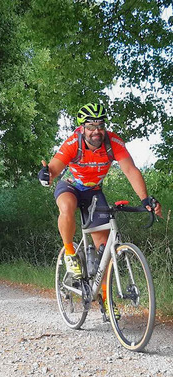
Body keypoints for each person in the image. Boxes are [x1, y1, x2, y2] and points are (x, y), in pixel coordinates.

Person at [38, 102, 162, 319]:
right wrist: (47, 175)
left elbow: (130, 169)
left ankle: (105, 301)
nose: (96, 131)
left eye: (100, 125)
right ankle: (70, 253)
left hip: (94, 191)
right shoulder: (73, 142)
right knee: (66, 207)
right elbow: (55, 167)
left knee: (104, 250)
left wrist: (144, 199)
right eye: (90, 126)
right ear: (82, 128)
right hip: (70, 186)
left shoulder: (113, 143)